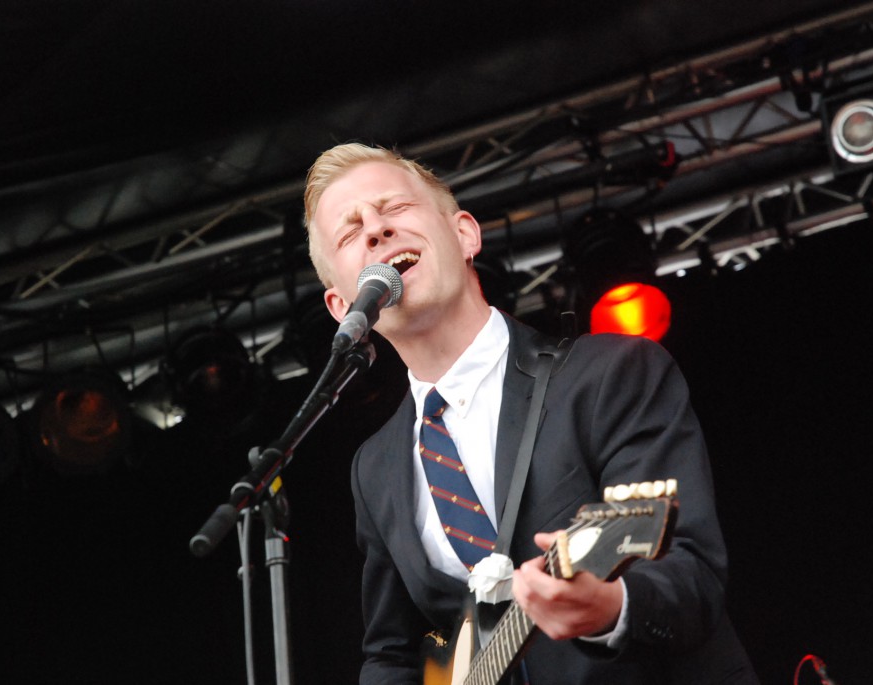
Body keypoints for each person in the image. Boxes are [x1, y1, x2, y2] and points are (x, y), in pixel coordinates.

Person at [304, 142, 757, 684]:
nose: (376, 229)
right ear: (340, 307)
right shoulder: (374, 468)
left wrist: (612, 607)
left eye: (395, 208)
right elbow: (392, 654)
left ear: (465, 234)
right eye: (351, 232)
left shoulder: (609, 375)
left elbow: (691, 573)